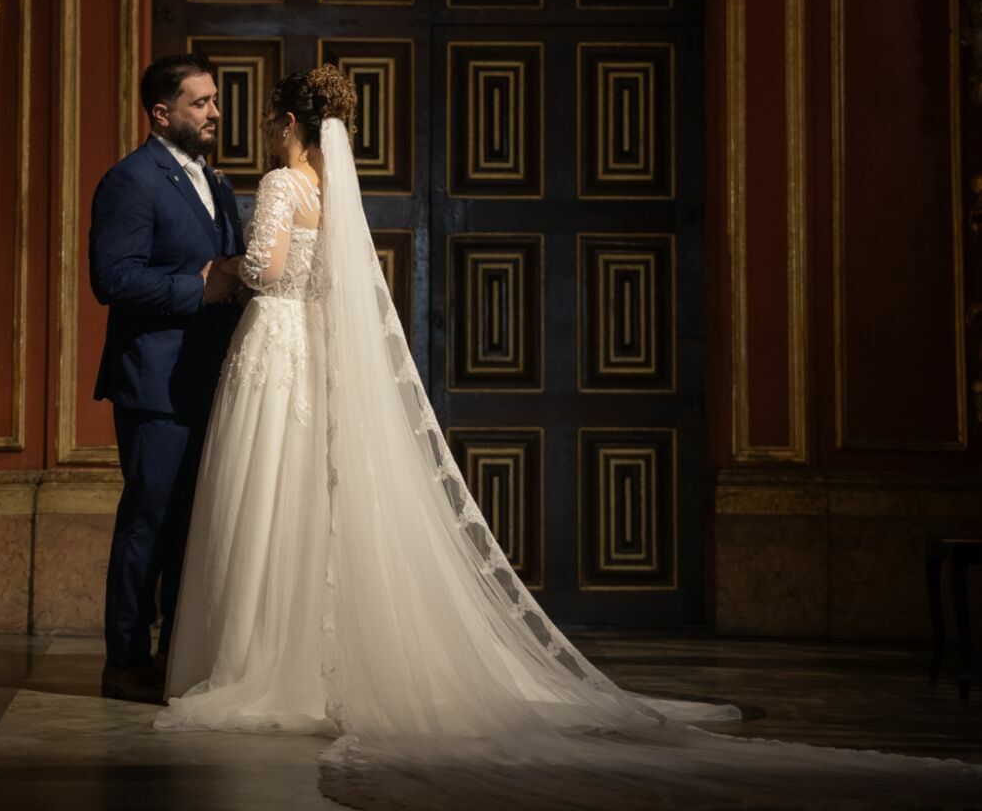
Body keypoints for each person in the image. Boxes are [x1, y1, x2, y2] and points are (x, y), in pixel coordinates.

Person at [156, 65, 982, 810]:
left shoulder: (277, 182)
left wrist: (224, 271)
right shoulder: (338, 193)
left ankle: (265, 661)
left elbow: (263, 271)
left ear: (288, 122)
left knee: (268, 500)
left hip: (276, 348)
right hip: (321, 358)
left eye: (267, 114)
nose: (259, 125)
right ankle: (315, 660)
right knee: (311, 501)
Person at [90, 53, 244, 704]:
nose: (214, 112)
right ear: (162, 113)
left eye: (214, 100)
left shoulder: (218, 183)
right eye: (201, 102)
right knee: (148, 522)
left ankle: (174, 653)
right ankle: (125, 660)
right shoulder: (131, 180)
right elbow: (113, 278)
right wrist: (196, 290)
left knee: (192, 525)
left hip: (213, 382)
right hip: (154, 384)